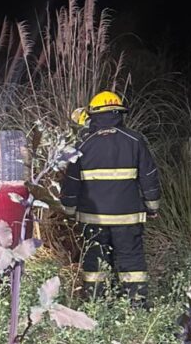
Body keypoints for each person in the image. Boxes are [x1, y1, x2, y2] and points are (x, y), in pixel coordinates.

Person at [61, 91, 160, 305]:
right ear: (119, 113)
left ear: (93, 115)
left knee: (95, 259)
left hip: (92, 217)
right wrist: (152, 206)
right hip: (128, 217)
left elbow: (71, 181)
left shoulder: (82, 143)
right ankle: (135, 303)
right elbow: (149, 176)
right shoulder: (134, 140)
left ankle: (96, 302)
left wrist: (69, 210)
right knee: (131, 259)